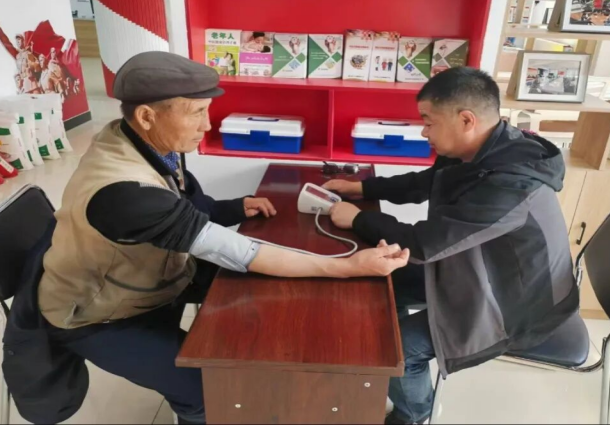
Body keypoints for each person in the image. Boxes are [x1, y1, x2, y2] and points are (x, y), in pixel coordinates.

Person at [38, 51, 409, 425]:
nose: (208, 124)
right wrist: (346, 266)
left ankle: (281, 387)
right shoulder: (125, 192)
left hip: (149, 280)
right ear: (147, 116)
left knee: (273, 305)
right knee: (207, 389)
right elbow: (239, 251)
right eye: (197, 113)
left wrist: (234, 208)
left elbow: (184, 203)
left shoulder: (141, 141)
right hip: (99, 316)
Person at [324, 68, 579, 425]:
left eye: (429, 122)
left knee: (398, 347)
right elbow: (426, 184)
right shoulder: (484, 150)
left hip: (517, 304)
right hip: (477, 269)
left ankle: (414, 414)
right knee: (378, 282)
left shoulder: (512, 183)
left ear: (466, 120)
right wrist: (363, 188)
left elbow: (425, 244)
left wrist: (358, 219)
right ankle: (386, 373)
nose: (424, 132)